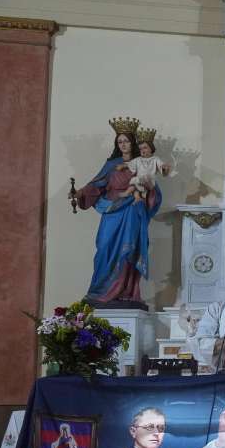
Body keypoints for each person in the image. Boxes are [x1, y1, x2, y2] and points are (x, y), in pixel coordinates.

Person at [75, 118, 161, 307]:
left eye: (126, 141)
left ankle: (125, 291)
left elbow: (154, 192)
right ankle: (99, 291)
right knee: (104, 247)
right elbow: (96, 185)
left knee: (128, 250)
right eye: (119, 141)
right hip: (111, 210)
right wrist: (80, 193)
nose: (123, 145)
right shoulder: (111, 165)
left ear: (132, 143)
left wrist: (148, 187)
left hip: (132, 212)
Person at [126, 132, 170, 204]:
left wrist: (165, 168)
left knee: (146, 181)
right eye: (140, 149)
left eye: (145, 148)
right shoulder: (138, 159)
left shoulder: (155, 159)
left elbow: (163, 171)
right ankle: (137, 197)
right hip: (139, 181)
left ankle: (143, 197)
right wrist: (123, 166)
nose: (142, 150)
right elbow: (129, 164)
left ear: (151, 148)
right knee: (135, 185)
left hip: (150, 182)